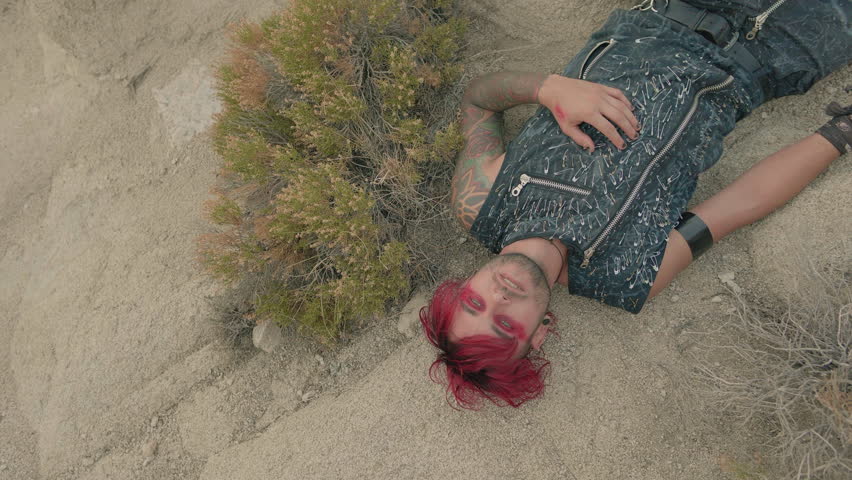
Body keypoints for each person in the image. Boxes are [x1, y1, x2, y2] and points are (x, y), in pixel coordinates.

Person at [419, 0, 852, 409]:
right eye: (506, 325)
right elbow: (739, 205)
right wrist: (840, 134)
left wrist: (550, 89)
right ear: (539, 333)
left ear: (463, 289)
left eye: (475, 304)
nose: (500, 297)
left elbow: (478, 100)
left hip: (664, 15)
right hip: (771, 56)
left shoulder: (479, 201)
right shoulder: (622, 275)